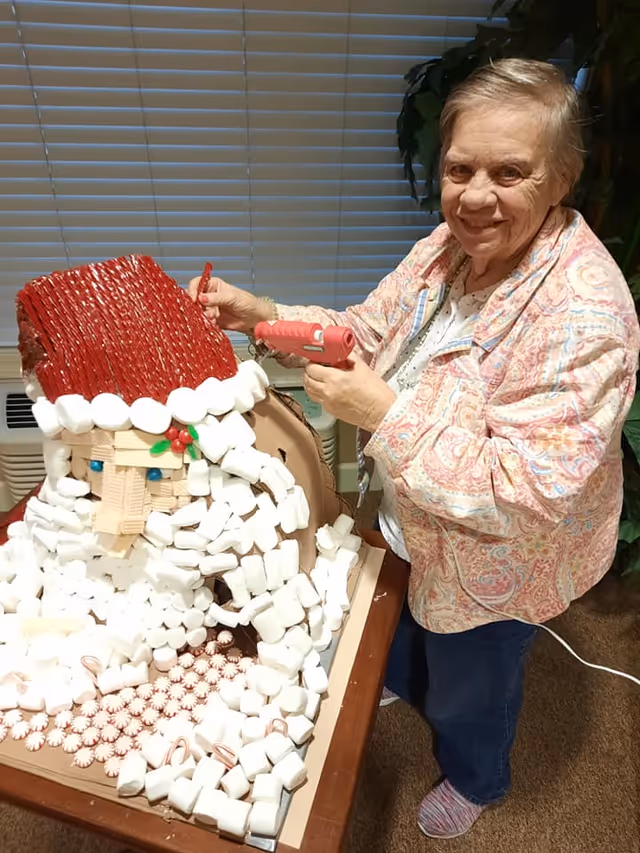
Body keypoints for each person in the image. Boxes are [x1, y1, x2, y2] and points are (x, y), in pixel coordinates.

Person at [189, 59, 640, 839]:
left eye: (510, 171)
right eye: (460, 168)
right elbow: (364, 331)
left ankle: (479, 776)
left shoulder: (585, 318)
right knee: (398, 620)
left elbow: (526, 490)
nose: (474, 195)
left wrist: (384, 413)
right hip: (414, 515)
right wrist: (260, 314)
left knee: (475, 682)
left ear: (561, 179)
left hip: (502, 557)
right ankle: (401, 676)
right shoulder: (450, 246)